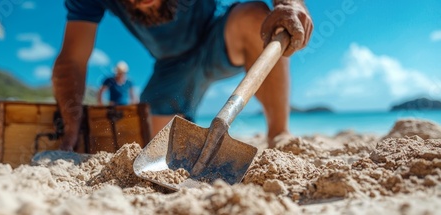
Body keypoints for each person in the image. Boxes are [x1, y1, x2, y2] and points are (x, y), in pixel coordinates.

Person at [52, 0, 313, 151]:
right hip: (170, 69)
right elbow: (72, 59)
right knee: (159, 147)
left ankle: (279, 131)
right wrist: (71, 125)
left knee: (254, 16)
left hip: (216, 39)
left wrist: (290, 3)